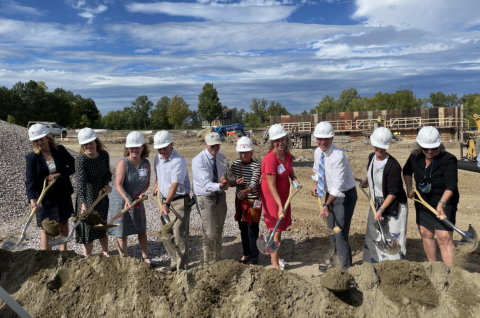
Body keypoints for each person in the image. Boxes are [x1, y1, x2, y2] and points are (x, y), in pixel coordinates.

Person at [403, 126, 459, 266]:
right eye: (425, 148)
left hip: (444, 202)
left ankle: (452, 274)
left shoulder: (448, 159)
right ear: (419, 145)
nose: (429, 151)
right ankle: (433, 268)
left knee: (444, 237)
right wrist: (409, 187)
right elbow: (407, 171)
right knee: (426, 234)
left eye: (433, 148)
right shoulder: (415, 157)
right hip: (423, 202)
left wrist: (441, 203)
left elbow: (451, 185)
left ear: (439, 144)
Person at [311, 121, 357, 272]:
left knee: (340, 233)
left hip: (344, 196)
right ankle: (336, 261)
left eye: (326, 139)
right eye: (319, 138)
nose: (322, 142)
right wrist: (318, 187)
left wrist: (326, 205)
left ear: (332, 138)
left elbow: (337, 188)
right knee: (331, 230)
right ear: (315, 138)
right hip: (330, 195)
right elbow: (319, 173)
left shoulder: (338, 155)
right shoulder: (318, 152)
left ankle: (344, 269)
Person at [360, 127, 408, 263]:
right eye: (377, 146)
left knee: (392, 238)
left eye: (382, 147)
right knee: (374, 234)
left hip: (393, 206)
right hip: (376, 204)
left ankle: (393, 269)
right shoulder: (371, 157)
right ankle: (372, 265)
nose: (379, 149)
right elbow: (374, 175)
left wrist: (381, 210)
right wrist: (367, 181)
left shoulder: (393, 166)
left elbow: (393, 192)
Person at [26, 123, 75, 251]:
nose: (39, 142)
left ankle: (63, 251)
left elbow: (74, 167)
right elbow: (30, 180)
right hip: (44, 196)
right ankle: (46, 255)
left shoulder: (60, 150)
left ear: (48, 138)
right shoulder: (32, 158)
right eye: (36, 140)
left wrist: (60, 174)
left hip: (62, 193)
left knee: (63, 222)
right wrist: (32, 200)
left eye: (41, 139)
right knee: (47, 228)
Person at [107, 131, 152, 266]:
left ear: (143, 147)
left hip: (136, 200)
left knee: (141, 229)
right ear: (127, 148)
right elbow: (118, 184)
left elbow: (147, 182)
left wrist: (141, 193)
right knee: (122, 233)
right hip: (121, 200)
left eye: (137, 146)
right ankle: (124, 260)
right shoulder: (123, 163)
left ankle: (145, 256)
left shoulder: (146, 163)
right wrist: (126, 198)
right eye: (131, 147)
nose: (134, 149)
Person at [261, 124, 301, 270]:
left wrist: (294, 179)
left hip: (284, 196)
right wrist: (279, 206)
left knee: (279, 230)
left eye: (282, 139)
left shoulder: (287, 154)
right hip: (272, 197)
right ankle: (275, 264)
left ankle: (276, 257)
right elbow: (271, 186)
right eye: (277, 140)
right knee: (275, 229)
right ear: (272, 142)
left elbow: (290, 171)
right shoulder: (270, 159)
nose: (280, 143)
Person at [152, 131, 191, 272]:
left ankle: (182, 269)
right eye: (159, 148)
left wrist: (167, 204)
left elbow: (174, 185)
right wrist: (157, 185)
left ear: (171, 144)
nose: (162, 151)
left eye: (164, 148)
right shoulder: (157, 158)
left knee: (179, 235)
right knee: (166, 235)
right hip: (164, 201)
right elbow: (159, 174)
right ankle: (174, 263)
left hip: (179, 201)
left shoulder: (178, 161)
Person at [192, 132, 229, 264]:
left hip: (220, 196)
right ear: (205, 144)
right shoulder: (198, 161)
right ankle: (208, 262)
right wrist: (221, 185)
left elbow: (227, 174)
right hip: (205, 198)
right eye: (211, 145)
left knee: (219, 229)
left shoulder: (222, 157)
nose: (214, 148)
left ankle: (217, 258)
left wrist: (231, 180)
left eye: (217, 145)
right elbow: (206, 185)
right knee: (210, 231)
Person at [74, 128, 112, 257]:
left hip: (101, 196)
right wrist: (83, 205)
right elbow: (81, 184)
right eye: (85, 144)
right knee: (88, 229)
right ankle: (87, 257)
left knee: (102, 226)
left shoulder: (104, 155)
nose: (88, 146)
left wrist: (107, 183)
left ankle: (106, 253)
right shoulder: (81, 160)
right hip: (87, 197)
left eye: (91, 142)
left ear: (96, 142)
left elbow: (107, 172)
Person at [230, 137, 262, 266]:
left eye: (246, 152)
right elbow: (231, 182)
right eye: (241, 152)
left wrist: (245, 191)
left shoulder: (256, 166)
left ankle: (254, 258)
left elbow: (255, 184)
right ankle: (246, 253)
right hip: (240, 200)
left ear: (251, 152)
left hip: (253, 201)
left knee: (253, 231)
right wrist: (234, 183)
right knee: (242, 229)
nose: (243, 155)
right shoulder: (234, 164)